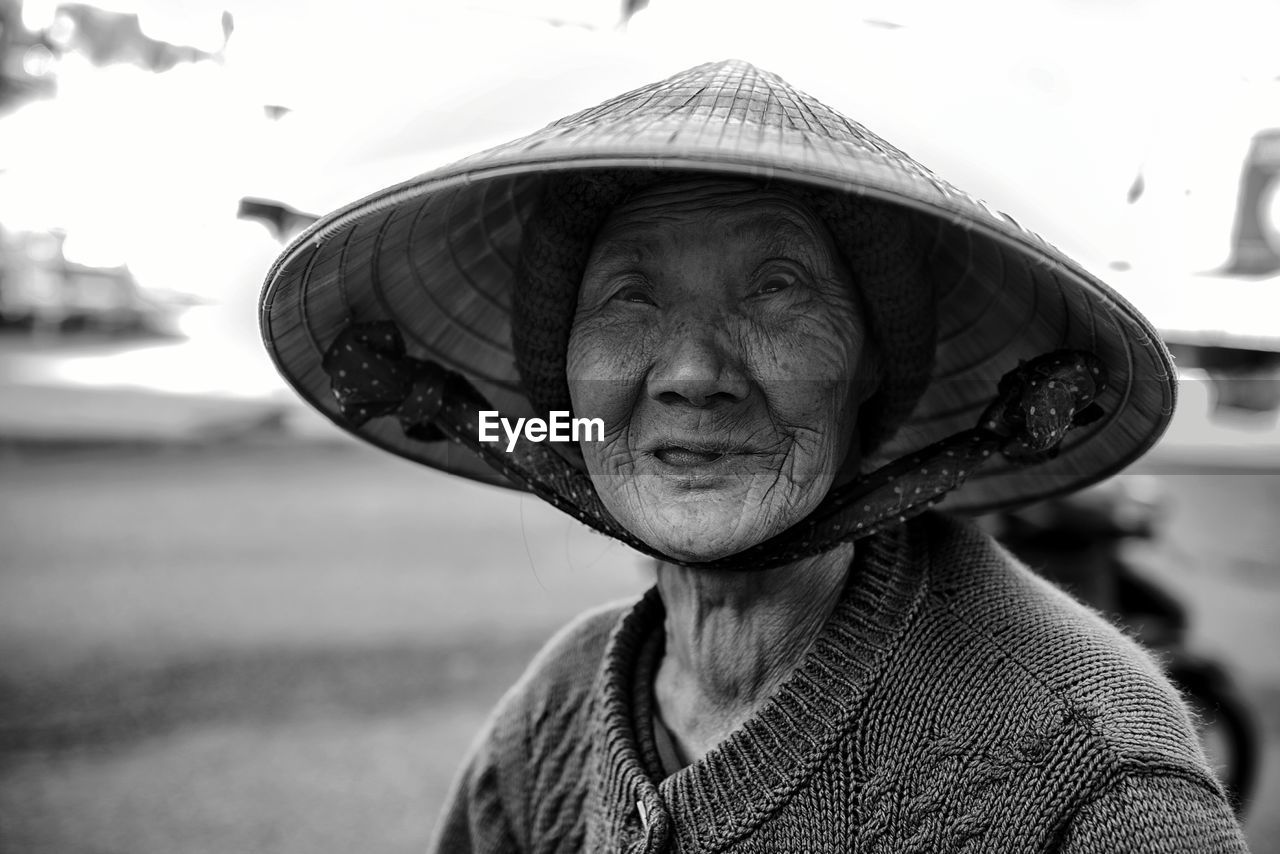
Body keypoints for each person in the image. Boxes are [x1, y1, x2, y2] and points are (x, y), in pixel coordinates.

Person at [260, 61, 1250, 852]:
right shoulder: (549, 721)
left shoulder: (1087, 770)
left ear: (868, 366)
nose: (692, 372)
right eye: (628, 297)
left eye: (776, 290)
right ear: (564, 380)